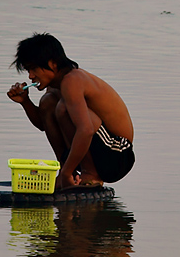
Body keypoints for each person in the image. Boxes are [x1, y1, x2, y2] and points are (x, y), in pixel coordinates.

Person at [7, 33, 135, 190]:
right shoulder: (54, 86)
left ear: (53, 63)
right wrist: (25, 102)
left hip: (118, 154)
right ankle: (70, 172)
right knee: (47, 103)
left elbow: (86, 129)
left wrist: (66, 173)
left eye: (33, 69)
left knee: (64, 108)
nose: (31, 76)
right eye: (28, 70)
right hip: (100, 151)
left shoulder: (72, 80)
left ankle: (89, 175)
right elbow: (44, 124)